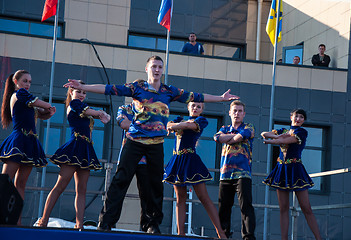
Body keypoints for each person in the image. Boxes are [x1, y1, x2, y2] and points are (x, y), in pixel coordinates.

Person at [63, 55, 239, 233]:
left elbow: (196, 96)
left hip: (156, 144)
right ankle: (106, 222)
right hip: (135, 141)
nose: (157, 70)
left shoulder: (168, 91)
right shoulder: (137, 87)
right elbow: (109, 88)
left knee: (154, 185)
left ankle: (152, 224)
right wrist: (82, 87)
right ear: (147, 69)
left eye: (160, 67)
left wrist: (221, 98)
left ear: (163, 70)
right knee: (120, 180)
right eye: (153, 66)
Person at [38, 82, 110, 229]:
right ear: (71, 92)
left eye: (84, 92)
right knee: (60, 185)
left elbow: (90, 123)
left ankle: (79, 225)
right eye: (78, 91)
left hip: (85, 150)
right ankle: (43, 221)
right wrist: (101, 113)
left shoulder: (84, 107)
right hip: (74, 148)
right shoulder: (75, 104)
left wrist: (101, 115)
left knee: (81, 189)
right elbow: (91, 112)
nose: (82, 95)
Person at [0, 70, 56, 225]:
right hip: (19, 141)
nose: (28, 84)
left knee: (21, 184)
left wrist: (48, 112)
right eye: (25, 81)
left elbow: (40, 112)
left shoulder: (27, 99)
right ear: (16, 82)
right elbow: (40, 103)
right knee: (5, 181)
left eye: (30, 82)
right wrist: (49, 105)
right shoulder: (20, 95)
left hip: (29, 142)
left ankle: (16, 220)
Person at [163, 102, 226, 239]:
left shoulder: (201, 121)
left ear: (202, 110)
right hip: (177, 160)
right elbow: (168, 125)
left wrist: (175, 126)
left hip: (191, 161)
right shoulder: (180, 119)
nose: (195, 108)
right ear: (188, 107)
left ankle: (221, 233)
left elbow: (186, 126)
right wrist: (174, 125)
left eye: (198, 107)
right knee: (180, 198)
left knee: (204, 198)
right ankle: (181, 234)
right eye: (193, 106)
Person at [261, 109, 321, 240]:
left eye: (301, 117)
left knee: (306, 207)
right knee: (283, 208)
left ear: (303, 120)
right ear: (291, 117)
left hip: (295, 170)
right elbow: (264, 133)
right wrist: (276, 136)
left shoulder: (301, 132)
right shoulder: (283, 130)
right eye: (296, 116)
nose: (298, 119)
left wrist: (274, 140)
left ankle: (319, 238)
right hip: (282, 169)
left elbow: (287, 140)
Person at [116, 87, 163, 232]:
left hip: (146, 159)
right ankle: (108, 222)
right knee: (119, 189)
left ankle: (148, 225)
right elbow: (123, 123)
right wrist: (145, 127)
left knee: (147, 194)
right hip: (129, 156)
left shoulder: (152, 109)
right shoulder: (125, 108)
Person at [214, 100, 256, 240]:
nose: (237, 113)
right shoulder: (224, 128)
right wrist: (234, 138)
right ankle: (223, 235)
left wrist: (230, 139)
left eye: (240, 111)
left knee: (246, 206)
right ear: (230, 113)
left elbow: (244, 134)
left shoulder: (249, 127)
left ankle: (248, 236)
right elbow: (217, 138)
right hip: (225, 174)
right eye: (235, 111)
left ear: (244, 113)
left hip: (243, 174)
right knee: (224, 207)